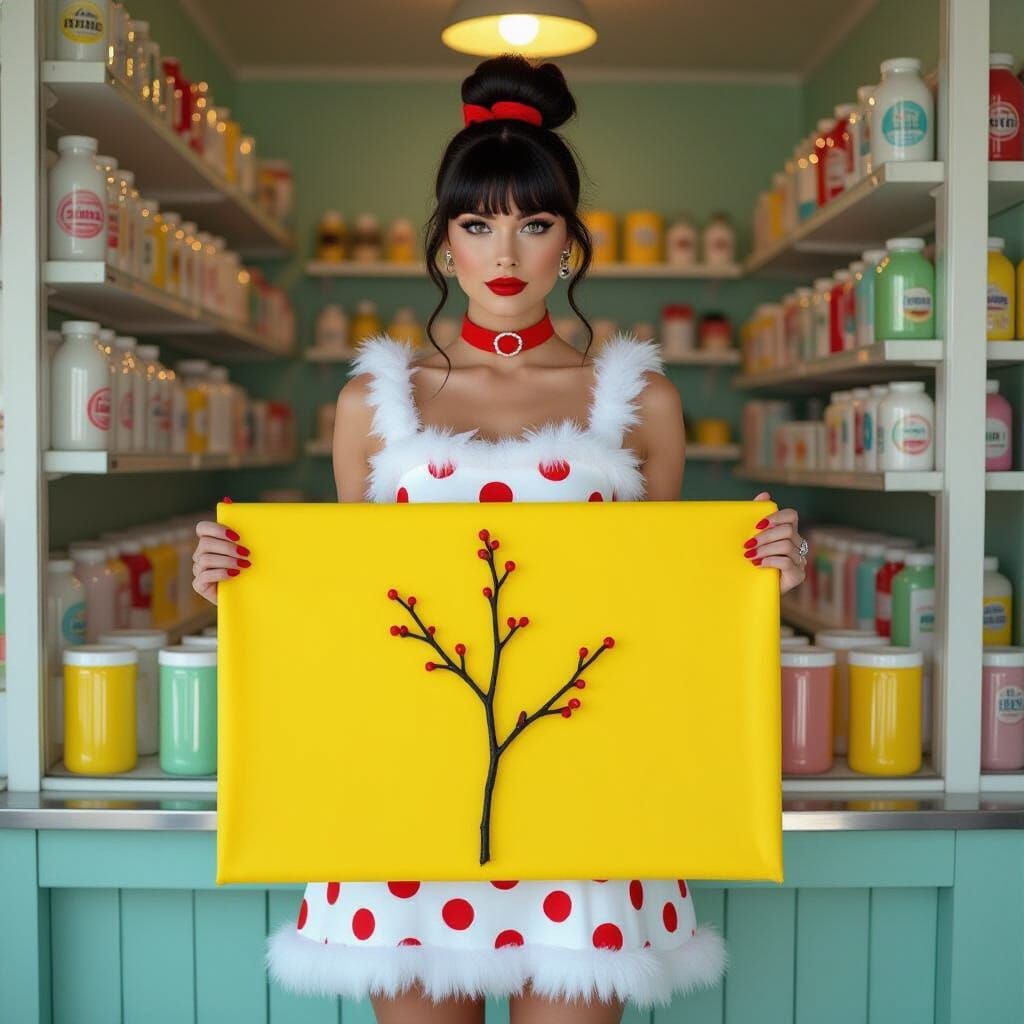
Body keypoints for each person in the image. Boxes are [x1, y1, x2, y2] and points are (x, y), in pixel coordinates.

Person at [192, 53, 808, 1024]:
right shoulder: (373, 401)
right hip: (409, 782)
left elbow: (662, 606)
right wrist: (242, 579)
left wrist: (760, 570)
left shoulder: (639, 398)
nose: (506, 251)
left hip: (587, 784)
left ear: (571, 242)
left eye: (535, 222)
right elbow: (355, 605)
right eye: (478, 225)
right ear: (445, 247)